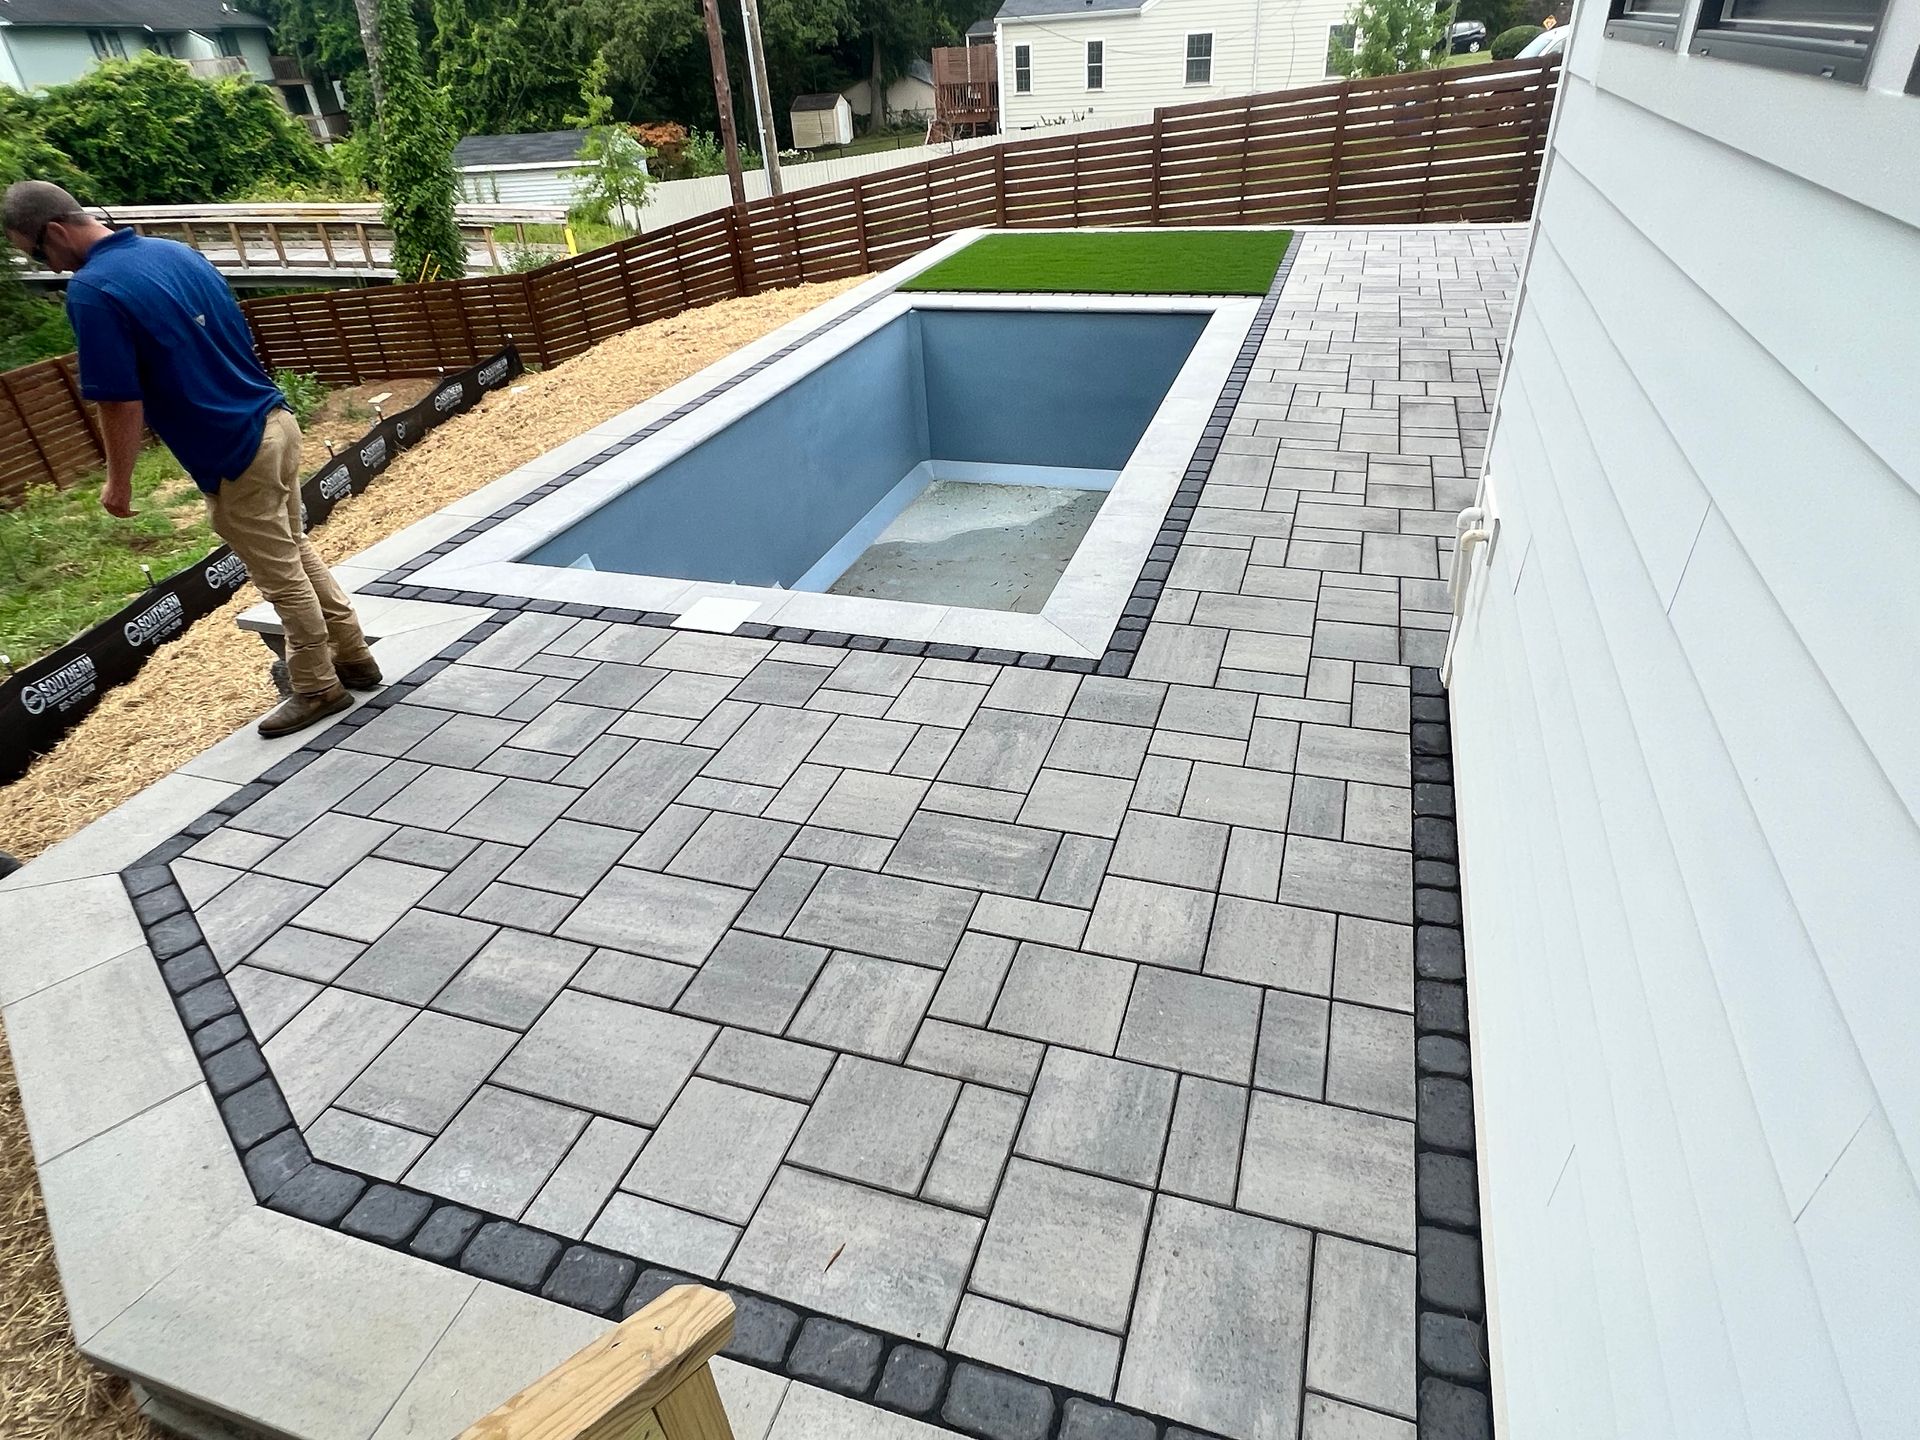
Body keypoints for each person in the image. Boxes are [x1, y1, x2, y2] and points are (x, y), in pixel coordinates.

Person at [3, 180, 380, 738]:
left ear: (54, 232)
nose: (48, 266)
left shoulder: (93, 290)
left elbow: (119, 400)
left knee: (280, 577)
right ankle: (354, 657)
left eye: (36, 252)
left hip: (233, 448)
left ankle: (317, 687)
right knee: (294, 547)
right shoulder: (175, 253)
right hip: (276, 422)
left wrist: (119, 481)